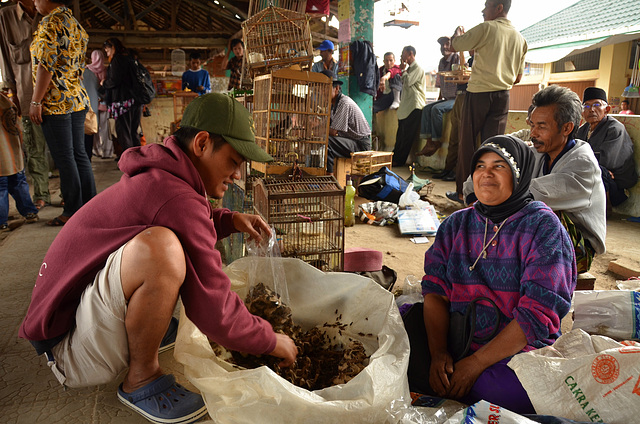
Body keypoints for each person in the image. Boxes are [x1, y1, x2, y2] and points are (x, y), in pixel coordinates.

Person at [19, 93, 298, 424]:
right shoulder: (176, 196)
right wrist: (271, 339)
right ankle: (141, 377)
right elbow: (215, 309)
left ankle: (149, 328)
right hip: (68, 350)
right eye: (235, 161)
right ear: (203, 143)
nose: (237, 174)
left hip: (67, 322)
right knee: (162, 250)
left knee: (167, 247)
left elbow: (184, 214)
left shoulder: (163, 174)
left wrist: (228, 220)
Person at [404, 135, 576, 414]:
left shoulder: (543, 228)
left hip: (512, 353)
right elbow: (435, 290)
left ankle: (459, 386)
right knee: (394, 335)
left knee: (500, 391)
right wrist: (438, 354)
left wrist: (474, 364)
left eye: (499, 166)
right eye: (480, 165)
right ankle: (446, 379)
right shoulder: (457, 224)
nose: (486, 174)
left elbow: (537, 314)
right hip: (457, 341)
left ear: (520, 176)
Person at [463, 85, 606, 273]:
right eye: (532, 125)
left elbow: (534, 195)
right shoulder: (538, 152)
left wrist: (488, 194)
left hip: (577, 248)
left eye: (542, 126)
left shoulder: (582, 164)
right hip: (543, 236)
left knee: (537, 214)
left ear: (567, 128)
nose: (533, 133)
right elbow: (472, 184)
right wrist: (479, 192)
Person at [447, 0, 527, 203]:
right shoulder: (520, 38)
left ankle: (464, 193)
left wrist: (458, 34)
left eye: (487, 5)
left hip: (479, 93)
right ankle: (489, 196)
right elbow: (518, 78)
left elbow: (455, 45)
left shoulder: (487, 28)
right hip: (503, 96)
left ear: (499, 8)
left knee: (468, 144)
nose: (483, 10)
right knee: (494, 147)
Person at [29, 0, 96, 227]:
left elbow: (45, 65)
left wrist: (36, 100)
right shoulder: (74, 23)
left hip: (56, 101)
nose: (35, 2)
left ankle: (71, 210)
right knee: (79, 155)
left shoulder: (50, 23)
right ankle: (89, 206)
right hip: (76, 99)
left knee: (65, 157)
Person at [0, 0, 51, 211]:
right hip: (25, 95)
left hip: (55, 97)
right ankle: (42, 194)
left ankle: (69, 193)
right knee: (33, 148)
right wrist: (11, 92)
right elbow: (5, 54)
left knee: (62, 150)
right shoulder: (6, 16)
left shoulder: (50, 13)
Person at [575, 87, 638, 207]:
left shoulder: (614, 128)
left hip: (616, 183)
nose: (591, 110)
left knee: (600, 171)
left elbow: (608, 161)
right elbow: (574, 153)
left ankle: (603, 209)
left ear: (607, 109)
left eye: (597, 105)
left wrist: (583, 163)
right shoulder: (583, 130)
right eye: (587, 106)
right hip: (592, 172)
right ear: (582, 112)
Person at [432, 51, 474, 182]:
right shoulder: (469, 61)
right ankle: (448, 169)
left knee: (462, 138)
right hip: (459, 96)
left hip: (468, 98)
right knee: (453, 137)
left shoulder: (477, 62)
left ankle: (457, 171)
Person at [1, 92, 39, 230]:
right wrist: (20, 148)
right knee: (18, 183)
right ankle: (30, 212)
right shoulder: (5, 102)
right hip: (12, 154)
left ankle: (2, 222)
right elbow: (18, 128)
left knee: (1, 189)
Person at [416, 36, 460, 157]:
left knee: (437, 109)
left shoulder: (456, 57)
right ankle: (429, 142)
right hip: (446, 98)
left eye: (447, 44)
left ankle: (436, 141)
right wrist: (439, 98)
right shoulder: (441, 62)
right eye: (442, 45)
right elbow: (441, 83)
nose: (444, 47)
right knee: (426, 108)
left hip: (457, 98)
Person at [323, 70, 371, 174]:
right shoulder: (332, 104)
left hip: (360, 145)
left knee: (327, 141)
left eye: (325, 88)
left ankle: (330, 178)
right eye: (320, 89)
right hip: (350, 141)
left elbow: (333, 132)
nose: (322, 92)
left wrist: (317, 129)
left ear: (336, 88)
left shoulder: (344, 103)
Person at [102, 38, 142, 158]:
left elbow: (114, 81)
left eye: (107, 49)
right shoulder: (129, 59)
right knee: (133, 132)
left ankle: (131, 161)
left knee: (123, 132)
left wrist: (104, 83)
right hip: (135, 100)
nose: (106, 52)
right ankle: (140, 160)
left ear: (113, 47)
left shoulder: (117, 60)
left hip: (123, 102)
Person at [392, 45, 426, 167]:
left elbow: (409, 80)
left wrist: (403, 70)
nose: (402, 55)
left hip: (414, 106)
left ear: (410, 54)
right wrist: (403, 70)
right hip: (407, 106)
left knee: (407, 136)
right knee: (400, 134)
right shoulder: (409, 69)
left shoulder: (417, 68)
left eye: (403, 53)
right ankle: (394, 157)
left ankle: (399, 160)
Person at [86, 49, 113, 159]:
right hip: (104, 104)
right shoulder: (106, 70)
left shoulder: (87, 70)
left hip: (91, 105)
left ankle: (95, 150)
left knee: (92, 129)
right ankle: (107, 152)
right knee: (106, 130)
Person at [82, 50, 101, 162]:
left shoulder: (78, 75)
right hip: (93, 112)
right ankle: (88, 160)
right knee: (88, 139)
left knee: (80, 142)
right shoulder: (92, 75)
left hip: (81, 111)